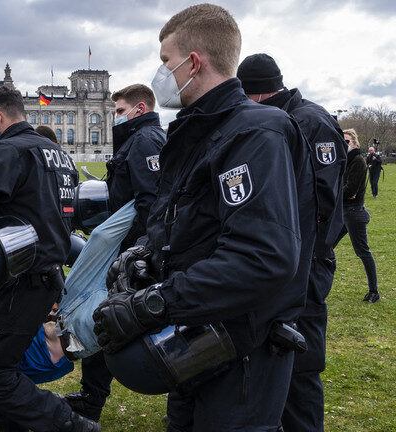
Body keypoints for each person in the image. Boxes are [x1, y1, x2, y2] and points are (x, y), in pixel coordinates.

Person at [92, 4, 316, 431]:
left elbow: (261, 257)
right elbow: (188, 225)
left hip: (242, 348)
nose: (162, 75)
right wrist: (146, 257)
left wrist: (154, 304)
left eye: (165, 62)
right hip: (193, 337)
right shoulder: (198, 131)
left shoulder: (254, 132)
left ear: (194, 63)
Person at [0, 87, 98, 432]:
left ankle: (69, 423)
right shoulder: (58, 153)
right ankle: (10, 422)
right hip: (51, 274)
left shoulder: (4, 151)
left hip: (22, 276)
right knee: (3, 358)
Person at [238, 53, 347, 432]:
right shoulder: (279, 120)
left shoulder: (310, 123)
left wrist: (305, 265)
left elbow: (322, 207)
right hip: (282, 264)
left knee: (300, 364)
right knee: (273, 358)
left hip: (305, 266)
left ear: (253, 96)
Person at [65, 83, 165, 422]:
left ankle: (183, 399)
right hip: (128, 247)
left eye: (120, 111)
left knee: (115, 317)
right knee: (104, 316)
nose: (116, 117)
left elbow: (150, 201)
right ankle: (91, 398)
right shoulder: (138, 139)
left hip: (135, 250)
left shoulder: (145, 141)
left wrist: (140, 250)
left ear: (139, 109)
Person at [337, 129, 379, 302]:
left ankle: (374, 292)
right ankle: (316, 285)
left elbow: (350, 190)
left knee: (363, 251)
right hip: (342, 211)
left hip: (354, 212)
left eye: (347, 141)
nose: (344, 144)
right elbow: (342, 188)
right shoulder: (344, 160)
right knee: (324, 247)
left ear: (354, 142)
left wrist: (338, 191)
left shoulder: (358, 161)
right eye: (342, 141)